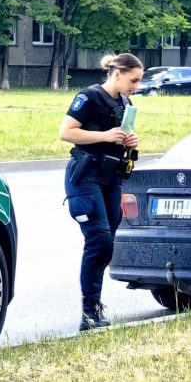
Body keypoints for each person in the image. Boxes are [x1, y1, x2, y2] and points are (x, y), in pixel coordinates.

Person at [59, 54, 141, 330]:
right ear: (117, 73)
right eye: (133, 80)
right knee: (99, 241)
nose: (136, 86)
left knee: (106, 245)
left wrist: (129, 140)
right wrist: (105, 136)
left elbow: (121, 139)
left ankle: (94, 307)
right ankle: (89, 311)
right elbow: (66, 132)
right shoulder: (90, 97)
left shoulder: (126, 103)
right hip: (86, 175)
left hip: (111, 177)